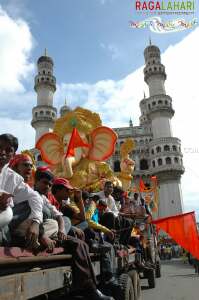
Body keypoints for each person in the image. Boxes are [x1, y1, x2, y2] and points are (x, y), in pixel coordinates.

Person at [0, 134, 43, 246]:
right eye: (0, 148)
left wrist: (36, 223)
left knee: (27, 206)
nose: (2, 153)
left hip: (5, 220)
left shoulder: (14, 178)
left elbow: (35, 197)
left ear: (13, 155)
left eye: (8, 150)